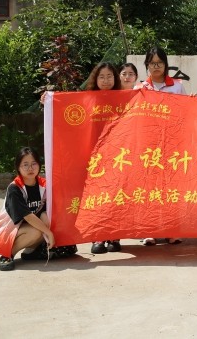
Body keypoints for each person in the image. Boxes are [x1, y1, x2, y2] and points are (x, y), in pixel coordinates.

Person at [135, 46, 186, 245]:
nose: (156, 66)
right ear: (147, 65)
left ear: (165, 64)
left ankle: (172, 229)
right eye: (152, 63)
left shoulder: (177, 86)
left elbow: (185, 112)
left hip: (171, 144)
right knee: (148, 187)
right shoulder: (140, 88)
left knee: (170, 187)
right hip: (148, 146)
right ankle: (149, 230)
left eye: (160, 63)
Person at [0, 147, 55, 271]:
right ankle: (7, 255)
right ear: (18, 168)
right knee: (37, 231)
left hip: (26, 228)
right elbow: (28, 216)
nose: (30, 168)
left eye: (34, 164)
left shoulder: (44, 185)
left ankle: (32, 251)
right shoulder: (14, 188)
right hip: (8, 231)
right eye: (25, 165)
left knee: (46, 218)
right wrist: (49, 233)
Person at [85, 62, 123, 253]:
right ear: (95, 79)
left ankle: (114, 236)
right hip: (95, 157)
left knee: (116, 196)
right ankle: (98, 236)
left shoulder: (124, 99)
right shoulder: (87, 99)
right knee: (97, 196)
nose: (106, 80)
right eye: (101, 77)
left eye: (109, 76)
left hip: (118, 155)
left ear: (115, 78)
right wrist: (48, 100)